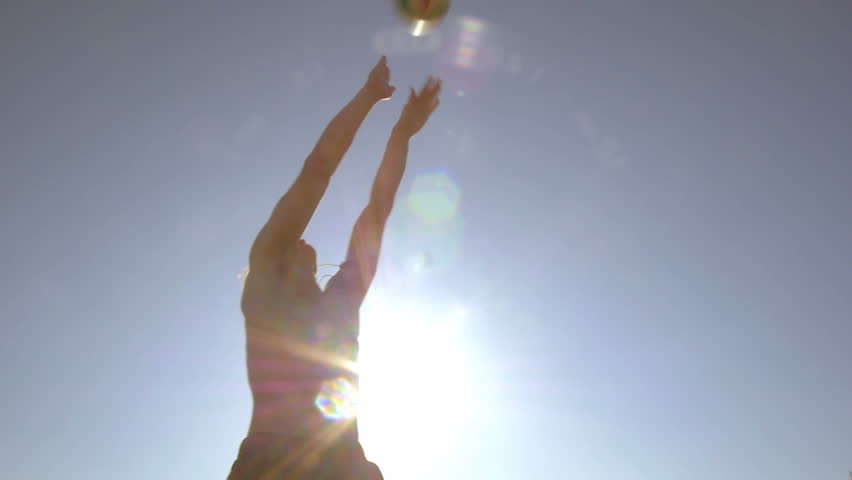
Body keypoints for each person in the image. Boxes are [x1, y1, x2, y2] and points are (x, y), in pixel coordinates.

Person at [228, 56, 442, 479]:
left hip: (340, 463)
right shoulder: (266, 281)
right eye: (297, 241)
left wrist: (402, 134)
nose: (306, 239)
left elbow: (377, 213)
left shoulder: (338, 304)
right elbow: (318, 171)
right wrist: (368, 98)